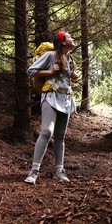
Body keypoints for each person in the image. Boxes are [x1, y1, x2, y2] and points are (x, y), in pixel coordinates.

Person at [25, 31, 78, 184]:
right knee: (47, 131)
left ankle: (59, 171)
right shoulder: (50, 56)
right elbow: (30, 71)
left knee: (60, 136)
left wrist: (73, 76)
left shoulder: (70, 59)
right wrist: (50, 71)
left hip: (66, 98)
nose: (72, 39)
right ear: (62, 42)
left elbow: (67, 79)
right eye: (69, 37)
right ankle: (34, 171)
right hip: (50, 96)